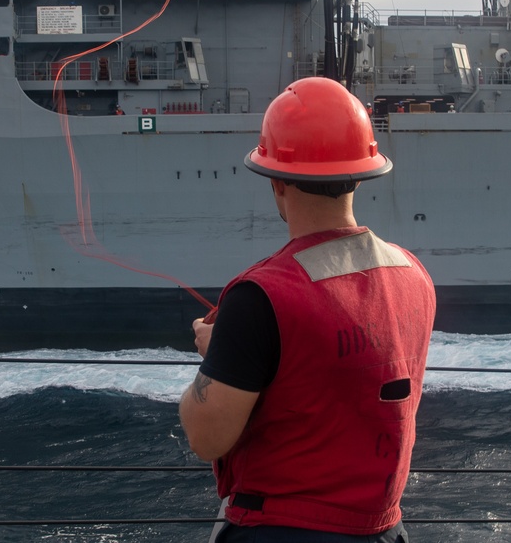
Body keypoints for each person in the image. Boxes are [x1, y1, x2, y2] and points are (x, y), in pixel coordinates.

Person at [178, 77, 435, 542]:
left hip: (282, 530)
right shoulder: (414, 275)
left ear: (276, 182)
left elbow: (206, 436)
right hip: (385, 529)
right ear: (360, 174)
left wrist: (218, 353)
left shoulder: (261, 296)